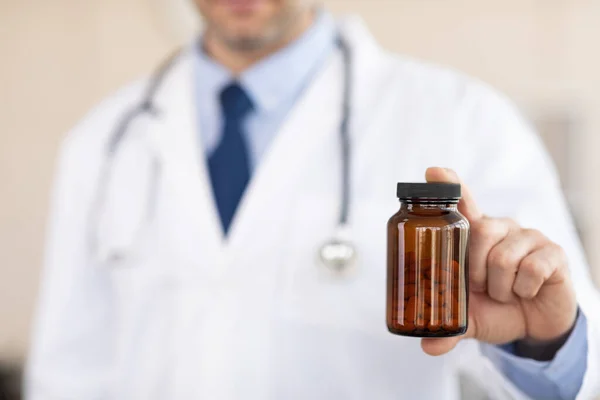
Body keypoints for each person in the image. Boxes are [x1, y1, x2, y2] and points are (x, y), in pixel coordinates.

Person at [26, 0, 600, 399]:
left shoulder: (463, 117)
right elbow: (67, 374)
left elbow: (579, 368)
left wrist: (546, 341)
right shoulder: (103, 142)